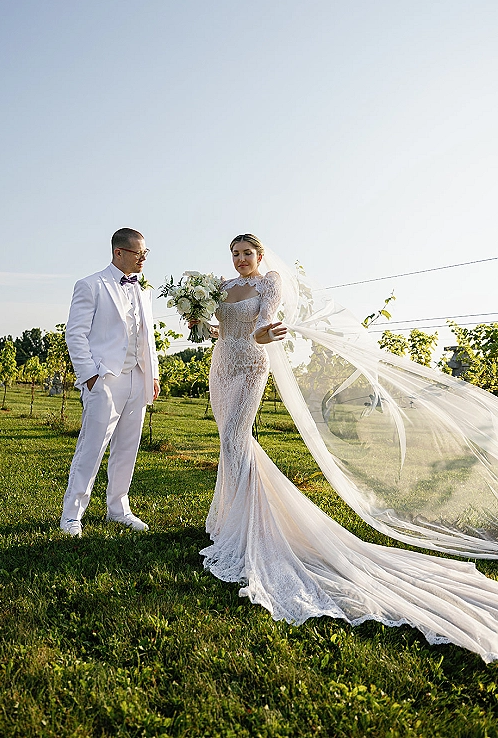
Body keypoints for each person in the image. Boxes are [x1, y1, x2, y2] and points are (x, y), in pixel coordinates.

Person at [199, 233, 498, 662]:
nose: (241, 259)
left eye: (247, 253)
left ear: (260, 256)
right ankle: (230, 515)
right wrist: (204, 324)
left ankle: (247, 525)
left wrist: (264, 335)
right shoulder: (224, 288)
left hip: (249, 364)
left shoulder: (269, 282)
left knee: (234, 438)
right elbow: (224, 327)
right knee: (228, 441)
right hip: (221, 364)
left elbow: (265, 324)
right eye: (235, 254)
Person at [60, 228, 160, 537]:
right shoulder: (91, 285)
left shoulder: (144, 290)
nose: (143, 258)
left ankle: (118, 509)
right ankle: (72, 515)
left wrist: (153, 374)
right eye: (138, 253)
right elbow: (74, 333)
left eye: (145, 253)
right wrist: (90, 376)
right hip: (104, 378)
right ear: (119, 253)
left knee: (127, 447)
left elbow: (147, 335)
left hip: (137, 377)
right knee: (92, 448)